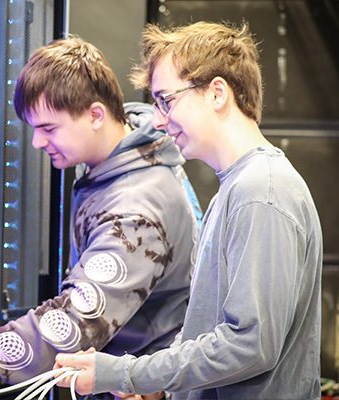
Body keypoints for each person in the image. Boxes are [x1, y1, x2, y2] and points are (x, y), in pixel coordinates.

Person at [54, 22, 324, 400]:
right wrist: (160, 390)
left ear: (217, 93)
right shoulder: (236, 187)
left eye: (166, 100)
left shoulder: (261, 191)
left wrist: (127, 373)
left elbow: (249, 345)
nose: (159, 120)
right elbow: (207, 331)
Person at [0, 36, 201, 398]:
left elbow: (72, 325)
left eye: (48, 128)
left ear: (95, 115)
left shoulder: (136, 206)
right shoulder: (131, 162)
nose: (37, 143)